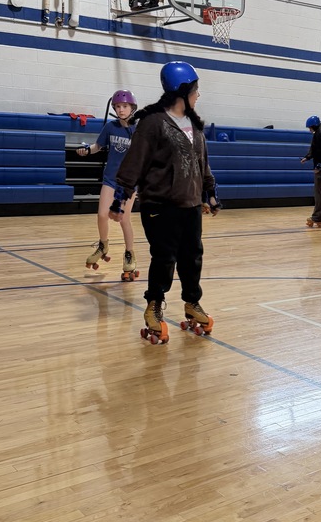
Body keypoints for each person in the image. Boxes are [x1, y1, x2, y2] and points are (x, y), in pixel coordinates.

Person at [113, 61, 220, 344]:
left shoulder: (195, 126)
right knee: (164, 258)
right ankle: (154, 307)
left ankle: (191, 303)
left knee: (192, 257)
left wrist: (209, 191)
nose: (198, 95)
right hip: (160, 205)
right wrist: (120, 196)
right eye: (195, 90)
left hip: (190, 204)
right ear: (182, 92)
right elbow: (135, 160)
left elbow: (202, 163)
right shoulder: (153, 123)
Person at [77, 90, 139, 280]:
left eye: (124, 106)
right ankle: (103, 245)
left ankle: (129, 253)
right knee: (102, 214)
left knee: (123, 219)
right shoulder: (110, 127)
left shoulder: (138, 130)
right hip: (110, 179)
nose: (121, 110)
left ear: (132, 108)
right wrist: (87, 150)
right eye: (118, 107)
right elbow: (98, 146)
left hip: (128, 183)